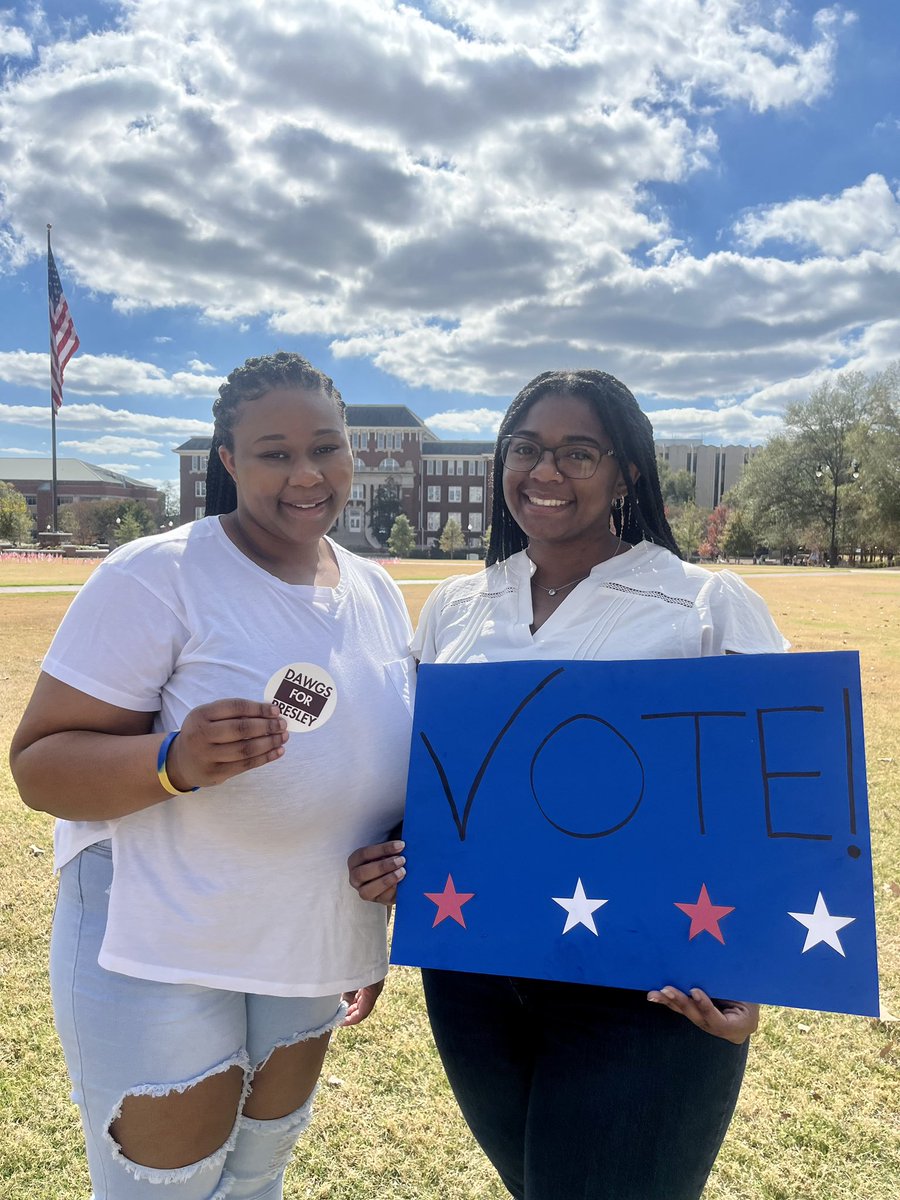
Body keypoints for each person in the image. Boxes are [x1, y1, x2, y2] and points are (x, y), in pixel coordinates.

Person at [348, 368, 788, 1200]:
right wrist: (388, 854)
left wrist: (758, 973)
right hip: (475, 976)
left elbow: (764, 803)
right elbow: (424, 775)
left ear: (627, 472)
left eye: (578, 452)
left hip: (647, 986)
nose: (545, 472)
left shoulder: (703, 604)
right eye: (527, 448)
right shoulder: (455, 607)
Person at [10, 351, 415, 1200]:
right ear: (229, 463)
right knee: (164, 1190)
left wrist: (388, 873)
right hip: (162, 938)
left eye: (326, 448)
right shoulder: (158, 574)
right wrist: (173, 761)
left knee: (258, 1174)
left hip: (309, 935)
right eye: (273, 452)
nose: (306, 474)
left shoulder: (377, 588)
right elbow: (39, 766)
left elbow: (373, 763)